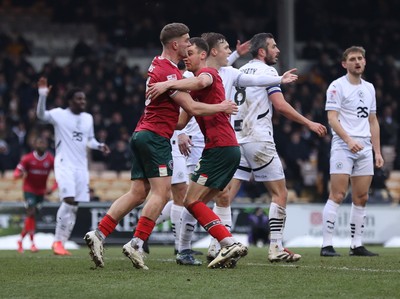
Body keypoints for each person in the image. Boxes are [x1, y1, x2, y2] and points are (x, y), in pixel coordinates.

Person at [83, 23, 238, 270]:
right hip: (155, 137)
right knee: (162, 193)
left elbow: (180, 120)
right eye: (186, 40)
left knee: (137, 193)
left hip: (142, 133)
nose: (189, 45)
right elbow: (193, 108)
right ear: (175, 44)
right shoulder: (168, 73)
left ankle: (99, 234)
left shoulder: (157, 64)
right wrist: (221, 107)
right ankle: (136, 243)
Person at [148, 34, 298, 266]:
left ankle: (224, 244)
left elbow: (206, 84)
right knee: (201, 199)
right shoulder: (197, 75)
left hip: (220, 147)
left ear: (203, 54)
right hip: (213, 146)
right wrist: (164, 127)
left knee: (193, 199)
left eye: (190, 54)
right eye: (185, 54)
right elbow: (183, 116)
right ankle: (200, 248)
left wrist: (167, 84)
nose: (185, 58)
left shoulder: (208, 75)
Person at [226, 33, 327, 263]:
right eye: (273, 46)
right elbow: (280, 106)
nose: (278, 50)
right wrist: (309, 122)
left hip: (236, 139)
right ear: (262, 51)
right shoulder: (269, 72)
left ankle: (218, 244)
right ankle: (276, 247)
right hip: (258, 138)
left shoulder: (239, 72)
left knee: (227, 196)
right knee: (280, 193)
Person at [320, 46, 384, 257]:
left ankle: (356, 245)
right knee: (338, 194)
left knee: (362, 196)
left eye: (360, 58)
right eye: (353, 59)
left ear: (365, 62)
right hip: (343, 145)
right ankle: (326, 245)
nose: (357, 62)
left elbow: (373, 121)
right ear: (344, 64)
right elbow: (332, 118)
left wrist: (377, 151)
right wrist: (348, 140)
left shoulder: (370, 88)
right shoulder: (337, 86)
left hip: (365, 146)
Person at [36, 77, 110, 256]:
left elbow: (89, 140)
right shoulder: (59, 114)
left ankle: (62, 241)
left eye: (84, 99)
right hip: (64, 164)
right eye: (78, 98)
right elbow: (41, 116)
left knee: (75, 205)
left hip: (80, 167)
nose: (82, 101)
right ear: (70, 100)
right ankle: (57, 241)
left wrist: (99, 145)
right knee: (68, 199)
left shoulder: (87, 118)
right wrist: (42, 96)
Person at [14, 136, 57, 253]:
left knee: (31, 216)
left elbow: (59, 176)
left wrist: (52, 188)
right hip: (29, 190)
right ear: (35, 145)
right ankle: (33, 244)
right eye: (40, 142)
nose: (42, 145)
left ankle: (20, 240)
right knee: (31, 212)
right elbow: (16, 172)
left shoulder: (50, 159)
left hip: (41, 192)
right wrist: (19, 174)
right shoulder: (28, 158)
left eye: (44, 143)